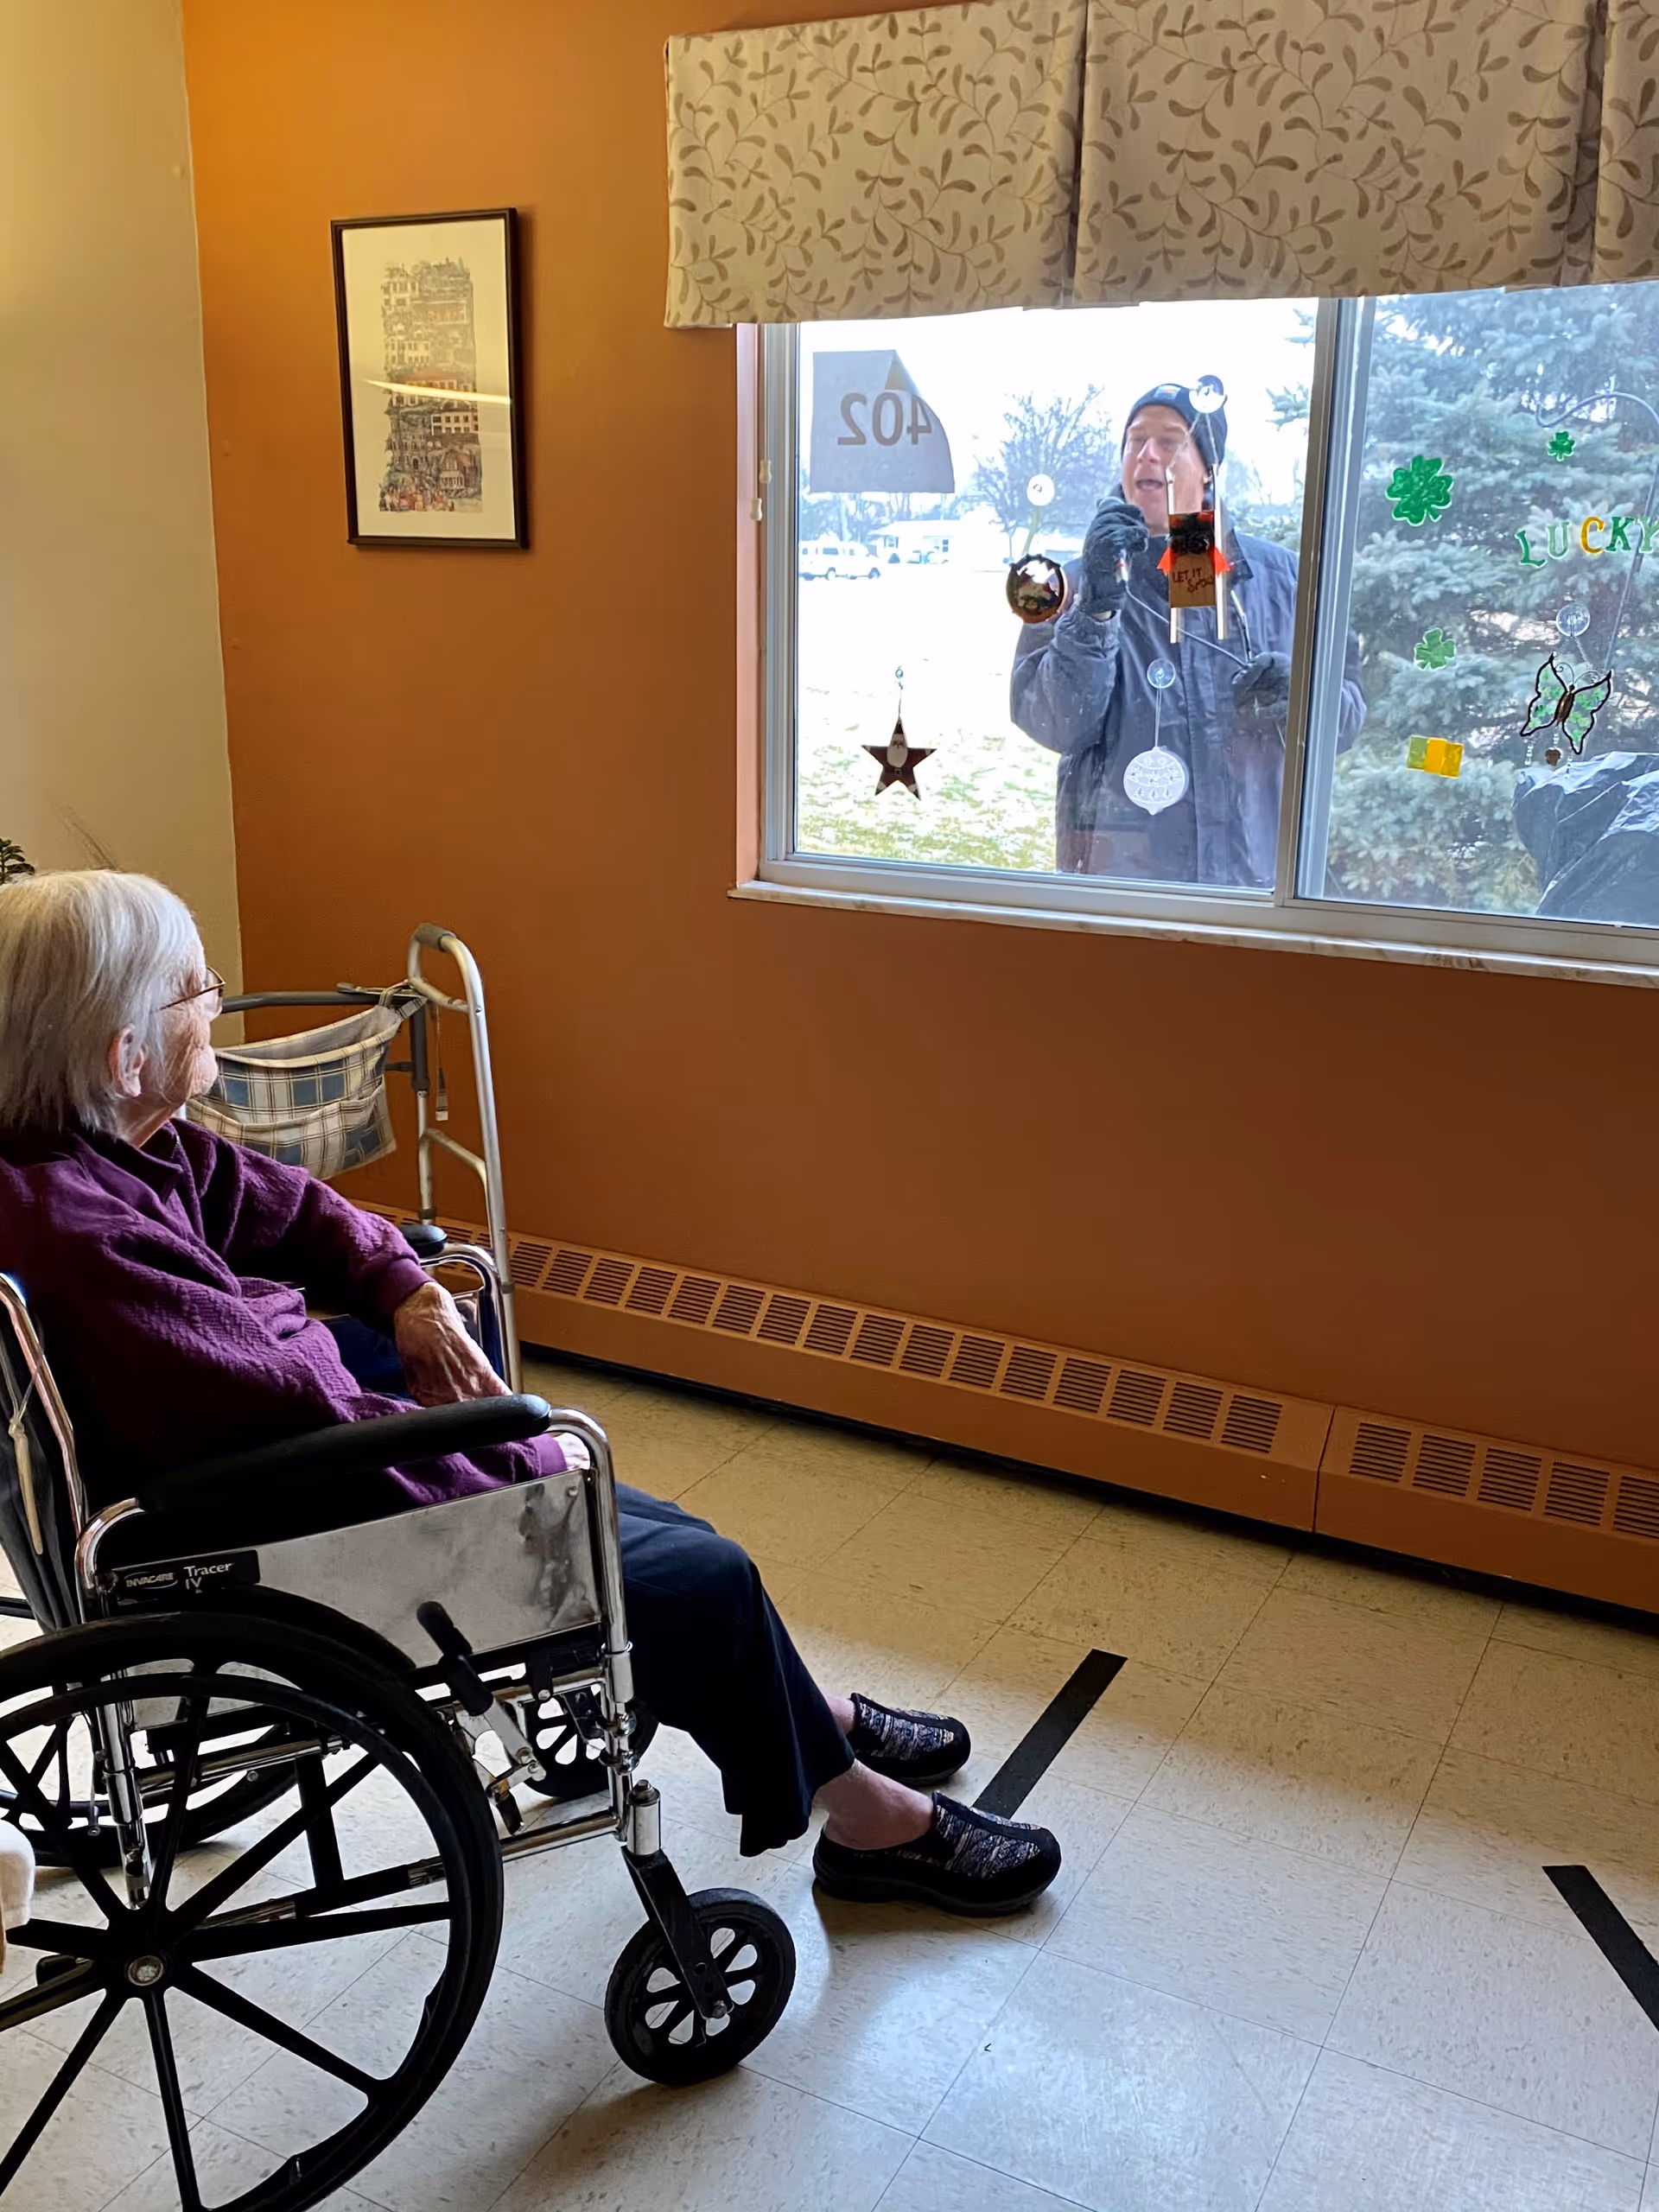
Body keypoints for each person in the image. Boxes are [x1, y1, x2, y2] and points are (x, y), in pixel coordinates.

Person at [0, 871, 1061, 1916]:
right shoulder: (92, 1235)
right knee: (698, 1571)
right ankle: (867, 1818)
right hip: (275, 1522)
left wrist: (408, 1293)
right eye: (199, 989)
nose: (219, 1006)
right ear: (124, 1053)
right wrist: (519, 1457)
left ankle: (806, 1712)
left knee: (628, 1516)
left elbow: (305, 1216)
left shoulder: (103, 1146)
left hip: (276, 1473)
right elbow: (305, 1419)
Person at [1011, 379, 1365, 887]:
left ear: (1209, 469)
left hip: (1258, 887)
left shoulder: (1287, 583)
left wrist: (1302, 693)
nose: (1147, 456)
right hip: (1124, 896)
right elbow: (1053, 723)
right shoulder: (1069, 586)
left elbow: (1346, 723)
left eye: (1171, 441)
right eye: (1135, 440)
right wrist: (1094, 613)